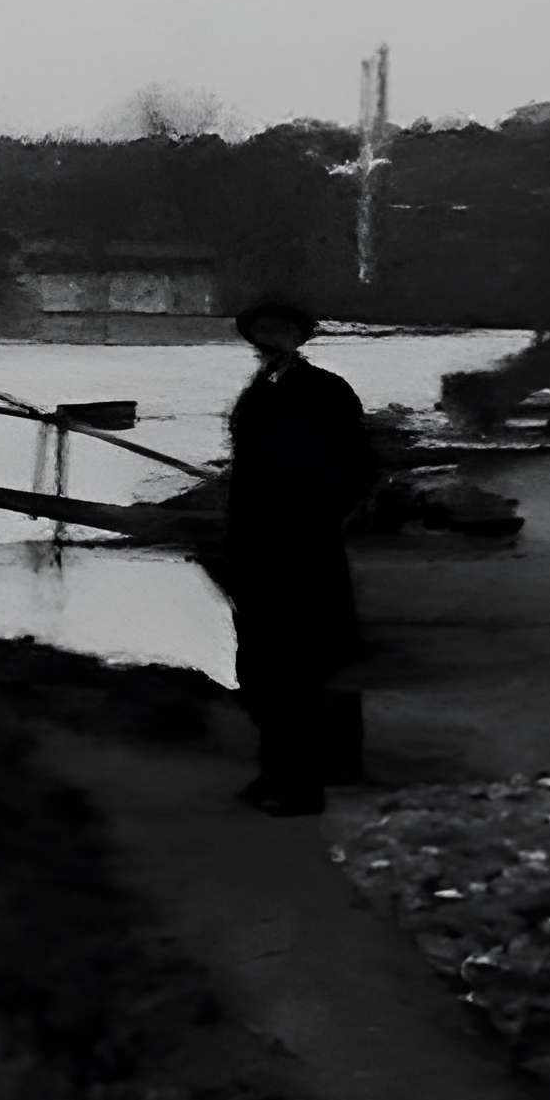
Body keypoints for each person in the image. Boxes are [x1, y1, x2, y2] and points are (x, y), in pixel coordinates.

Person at [214, 294, 379, 815]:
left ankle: (305, 783)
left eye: (281, 330)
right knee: (261, 663)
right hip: (255, 544)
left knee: (303, 660)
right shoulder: (258, 391)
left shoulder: (326, 390)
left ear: (299, 337)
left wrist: (320, 515)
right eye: (263, 331)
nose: (270, 340)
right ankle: (275, 769)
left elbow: (358, 467)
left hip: (304, 547)